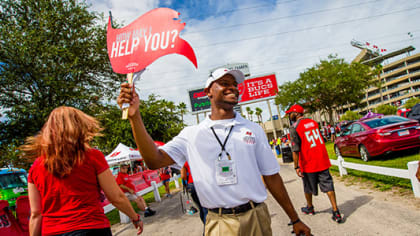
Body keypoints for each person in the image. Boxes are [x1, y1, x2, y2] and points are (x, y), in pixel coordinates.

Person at [118, 67, 311, 235]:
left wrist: (294, 219)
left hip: (256, 217)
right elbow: (154, 160)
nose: (233, 88)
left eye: (235, 84)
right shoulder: (191, 134)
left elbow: (272, 177)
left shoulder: (253, 129)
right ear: (208, 92)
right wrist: (135, 118)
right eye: (224, 83)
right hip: (218, 222)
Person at [21, 106, 142, 235]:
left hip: (53, 231)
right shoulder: (92, 156)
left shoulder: (35, 167)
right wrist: (135, 217)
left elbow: (35, 213)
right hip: (91, 227)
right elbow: (116, 197)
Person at [287, 104, 342, 223]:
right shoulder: (313, 122)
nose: (289, 115)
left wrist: (296, 166)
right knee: (328, 185)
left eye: (290, 113)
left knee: (307, 187)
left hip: (308, 162)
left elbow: (295, 149)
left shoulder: (294, 127)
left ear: (296, 113)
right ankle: (336, 211)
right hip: (321, 159)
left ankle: (310, 207)